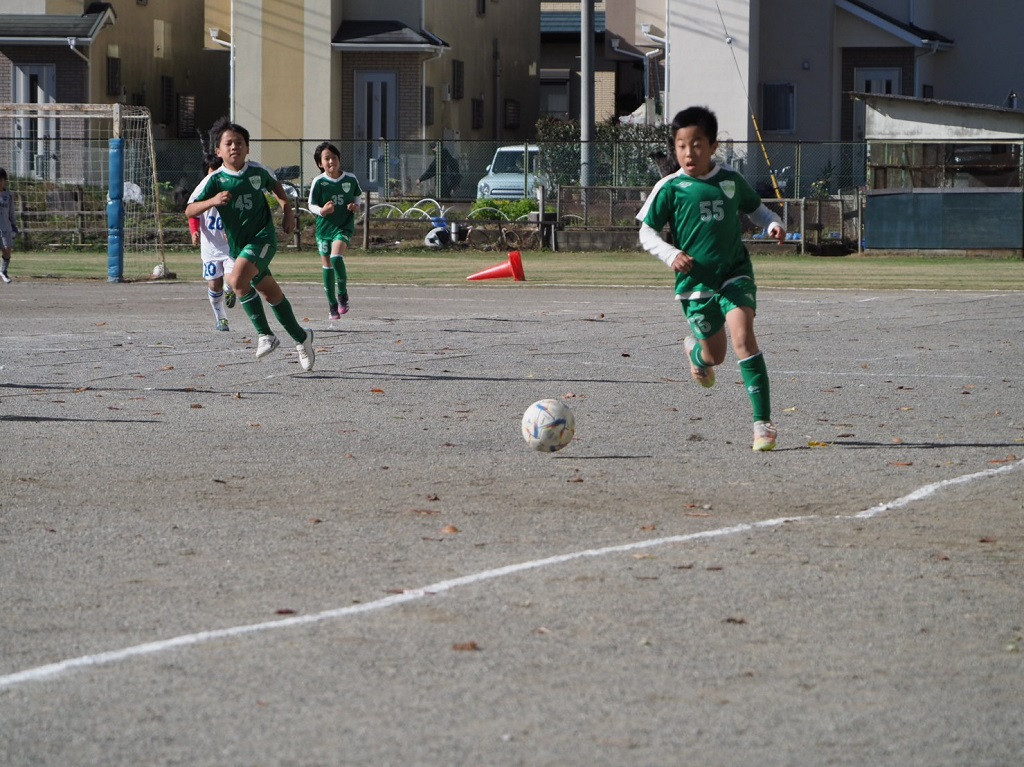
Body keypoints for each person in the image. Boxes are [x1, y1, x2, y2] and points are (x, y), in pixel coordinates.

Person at [637, 106, 786, 452]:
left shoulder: (730, 181)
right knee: (715, 356)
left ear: (713, 145)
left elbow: (759, 210)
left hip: (734, 274)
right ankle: (697, 356)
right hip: (695, 285)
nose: (689, 153)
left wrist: (773, 223)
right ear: (675, 149)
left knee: (743, 338)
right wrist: (671, 254)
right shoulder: (670, 188)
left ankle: (763, 424)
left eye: (697, 144)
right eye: (681, 146)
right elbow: (646, 234)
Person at [185, 118, 315, 371]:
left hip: (262, 239)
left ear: (247, 148)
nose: (235, 147)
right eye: (229, 143)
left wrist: (287, 211)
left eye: (240, 143)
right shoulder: (214, 180)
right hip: (239, 246)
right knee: (270, 294)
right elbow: (190, 209)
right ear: (219, 151)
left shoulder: (258, 171)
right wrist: (212, 201)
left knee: (236, 281)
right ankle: (302, 338)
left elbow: (279, 191)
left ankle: (266, 335)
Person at [307, 141, 362, 320]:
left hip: (343, 226)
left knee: (336, 257)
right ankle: (332, 304)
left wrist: (356, 206)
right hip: (324, 229)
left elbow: (358, 198)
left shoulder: (350, 179)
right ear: (320, 163)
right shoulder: (319, 181)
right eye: (327, 158)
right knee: (327, 266)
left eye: (334, 157)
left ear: (339, 159)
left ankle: (343, 294)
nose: (331, 161)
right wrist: (322, 211)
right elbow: (311, 204)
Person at [188, 153, 236, 331]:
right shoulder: (202, 191)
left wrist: (233, 230)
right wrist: (194, 231)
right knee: (214, 284)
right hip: (210, 248)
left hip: (230, 246)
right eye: (212, 171)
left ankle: (230, 289)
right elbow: (192, 213)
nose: (216, 175)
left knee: (232, 279)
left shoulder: (229, 190)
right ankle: (221, 318)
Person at [0, 168, 18, 283]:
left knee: (7, 249)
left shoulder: (8, 195)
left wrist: (14, 226)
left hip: (5, 227)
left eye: (2, 180)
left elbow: (12, 212)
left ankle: (3, 271)